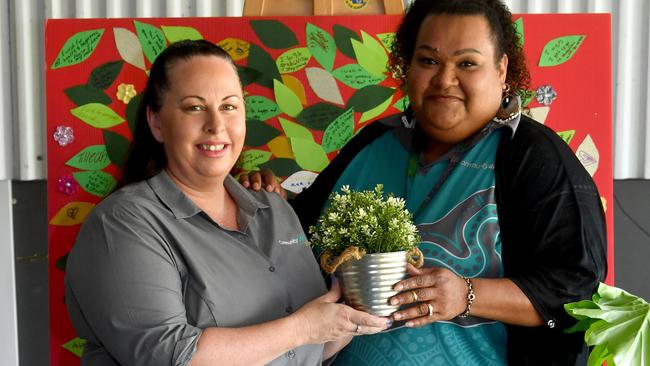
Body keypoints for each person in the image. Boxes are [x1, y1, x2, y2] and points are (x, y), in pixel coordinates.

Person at [241, 0, 608, 364]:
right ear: (407, 65)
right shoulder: (376, 142)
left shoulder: (532, 157)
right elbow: (302, 242)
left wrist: (466, 295)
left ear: (501, 69)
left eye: (467, 63)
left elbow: (576, 291)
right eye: (429, 61)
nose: (445, 80)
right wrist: (274, 199)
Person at [64, 40, 390, 366]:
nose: (216, 125)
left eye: (229, 106)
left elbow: (310, 350)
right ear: (156, 122)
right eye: (194, 107)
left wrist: (364, 298)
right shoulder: (123, 223)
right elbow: (168, 356)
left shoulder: (275, 210)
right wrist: (301, 329)